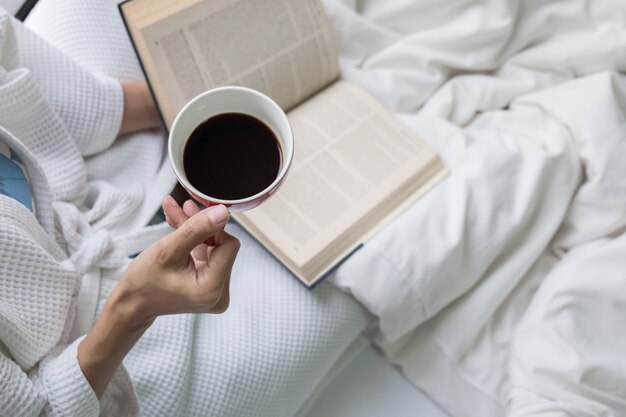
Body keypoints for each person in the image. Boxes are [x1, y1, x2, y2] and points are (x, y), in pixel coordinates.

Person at [0, 3, 367, 416]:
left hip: (62, 173)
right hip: (90, 348)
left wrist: (180, 107)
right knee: (352, 278)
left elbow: (19, 87)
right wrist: (134, 308)